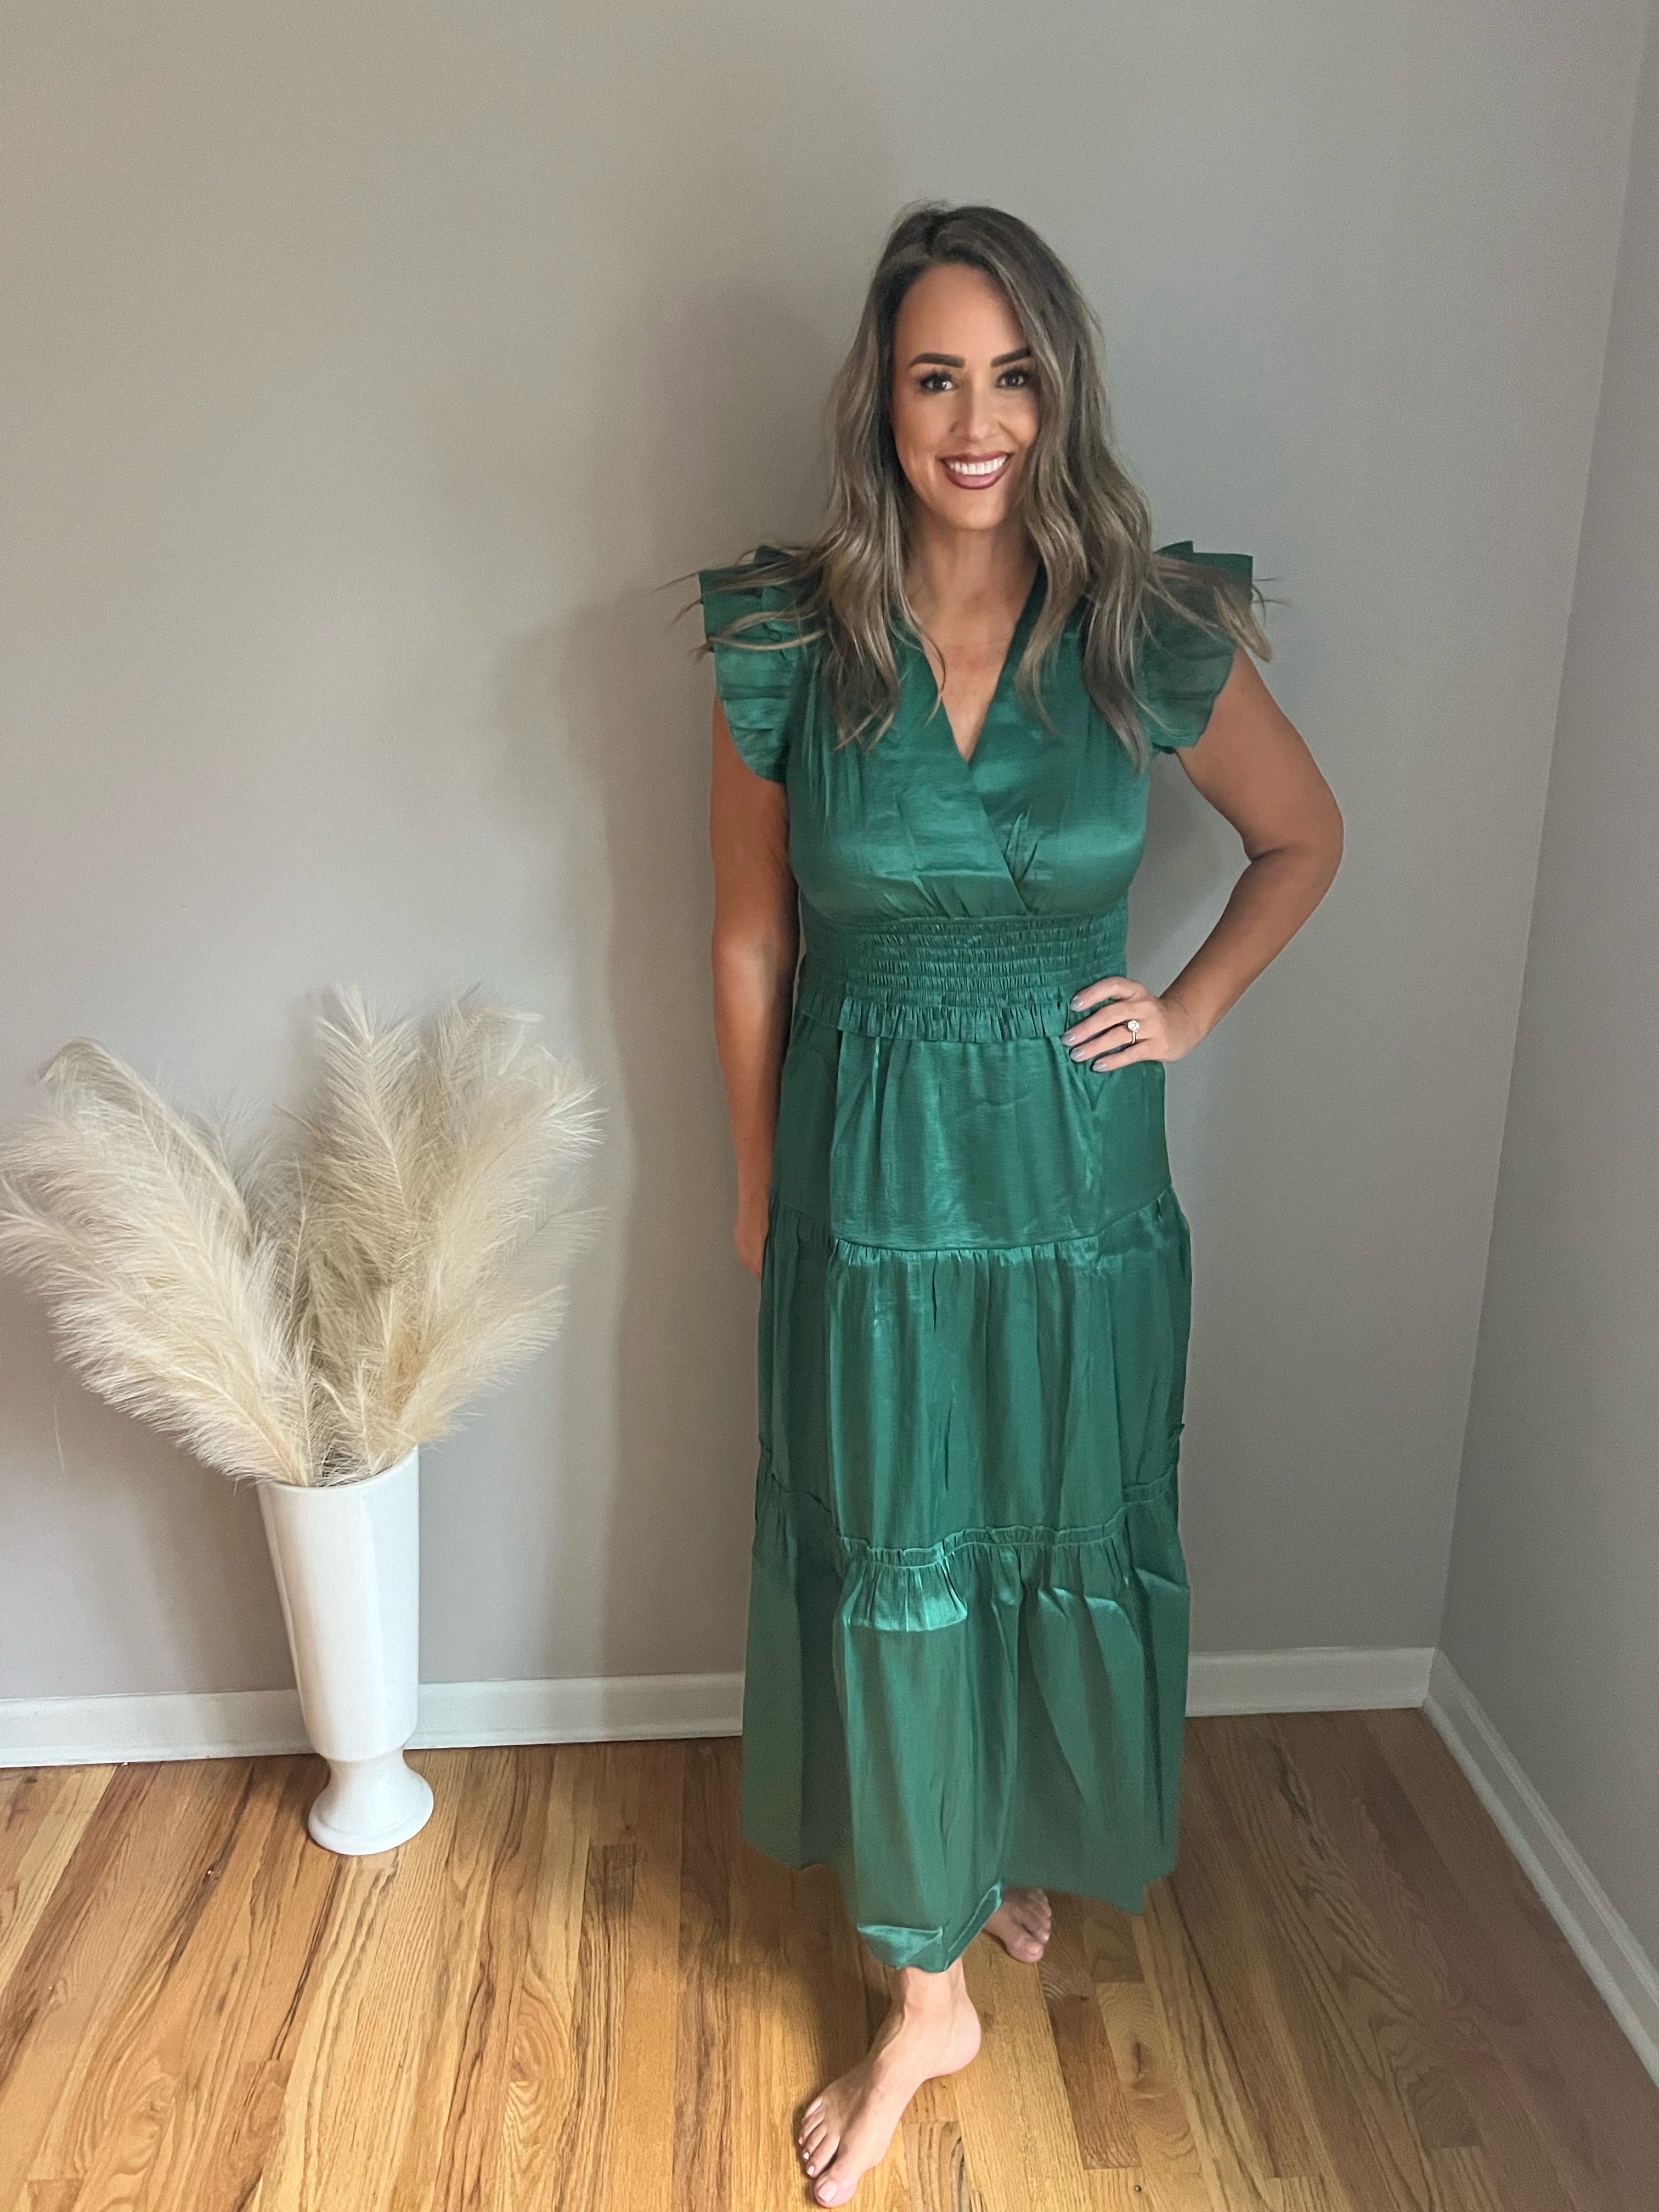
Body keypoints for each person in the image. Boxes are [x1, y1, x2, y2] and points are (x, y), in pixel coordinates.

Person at [701, 201, 1342, 2207]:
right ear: (881, 402)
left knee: (1043, 1518)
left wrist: (1186, 1012)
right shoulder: (789, 638)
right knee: (902, 1543)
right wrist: (757, 1177)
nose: (975, 420)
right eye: (935, 377)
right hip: (871, 1175)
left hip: (1072, 1183)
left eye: (1013, 375)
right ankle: (929, 2000)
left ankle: (989, 1854)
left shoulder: (1143, 623)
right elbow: (750, 938)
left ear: (1059, 395)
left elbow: (1303, 839)